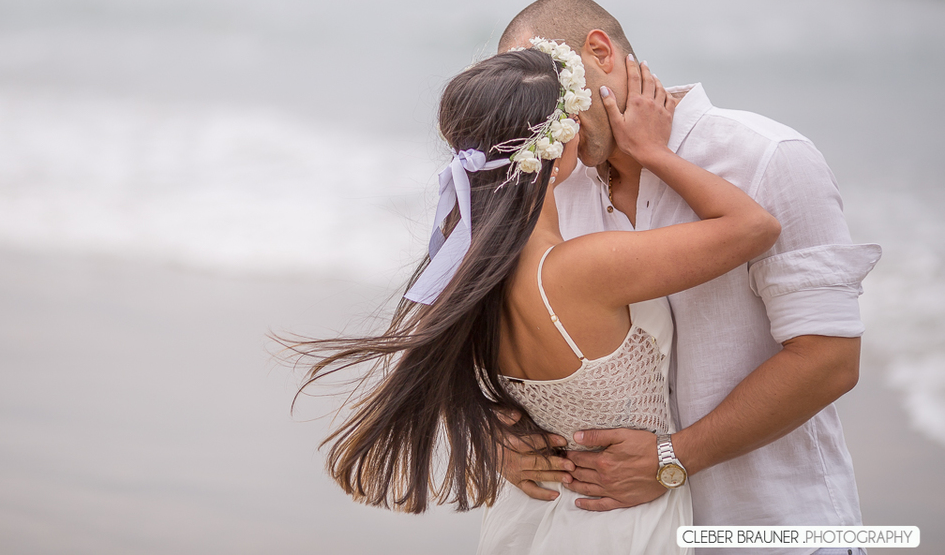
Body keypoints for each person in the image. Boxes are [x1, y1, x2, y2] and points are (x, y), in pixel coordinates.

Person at [291, 37, 781, 554]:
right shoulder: (582, 269)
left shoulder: (461, 275)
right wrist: (653, 153)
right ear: (563, 142)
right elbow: (754, 227)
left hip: (535, 514)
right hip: (618, 519)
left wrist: (496, 437)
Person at [495, 0, 881, 555]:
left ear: (599, 51)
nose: (537, 119)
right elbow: (504, 338)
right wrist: (498, 435)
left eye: (546, 90)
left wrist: (673, 457)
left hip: (772, 526)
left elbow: (829, 359)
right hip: (612, 535)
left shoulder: (767, 157)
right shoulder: (550, 182)